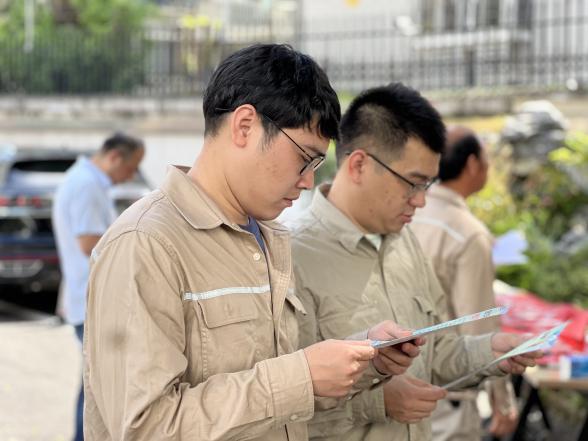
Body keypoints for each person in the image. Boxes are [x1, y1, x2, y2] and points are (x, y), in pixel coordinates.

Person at [83, 44, 421, 441]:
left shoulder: (269, 237)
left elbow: (283, 393)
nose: (308, 181)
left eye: (317, 165)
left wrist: (362, 358)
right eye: (305, 158)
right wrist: (301, 377)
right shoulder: (145, 244)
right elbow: (143, 427)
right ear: (245, 126)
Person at [290, 84, 541, 441]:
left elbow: (435, 352)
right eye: (413, 183)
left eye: (428, 185)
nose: (421, 201)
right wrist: (377, 403)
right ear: (359, 165)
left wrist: (489, 351)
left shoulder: (403, 241)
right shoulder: (293, 256)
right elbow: (279, 407)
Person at [411, 126, 518, 441]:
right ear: (472, 164)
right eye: (487, 157)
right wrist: (502, 399)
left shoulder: (409, 212)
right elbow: (479, 324)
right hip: (448, 394)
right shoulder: (468, 234)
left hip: (399, 380)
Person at [52, 133, 145, 441]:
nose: (131, 175)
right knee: (99, 387)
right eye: (132, 167)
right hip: (93, 300)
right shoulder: (87, 185)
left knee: (97, 384)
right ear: (115, 157)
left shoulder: (84, 180)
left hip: (87, 297)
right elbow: (89, 242)